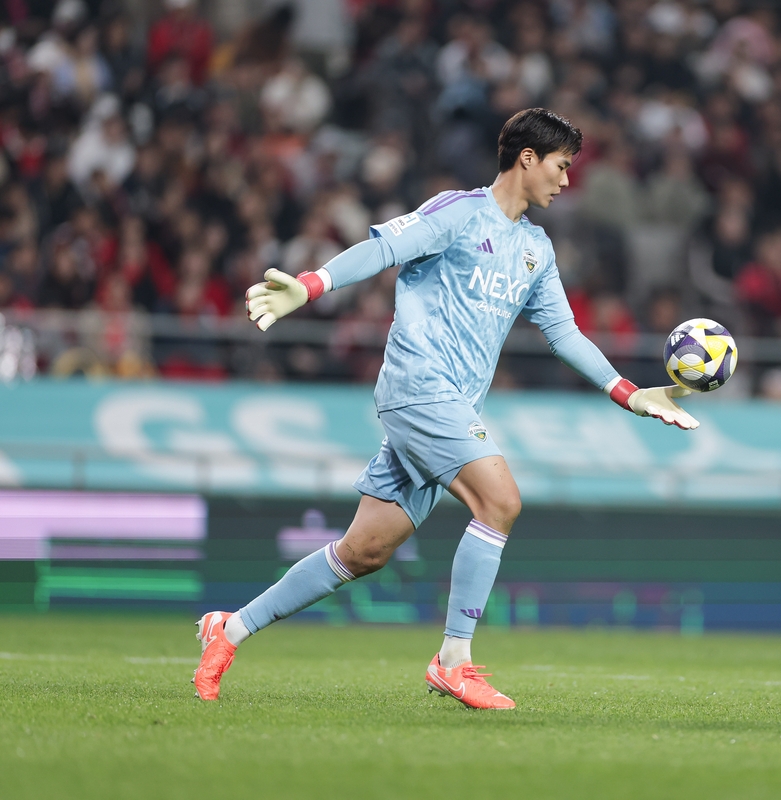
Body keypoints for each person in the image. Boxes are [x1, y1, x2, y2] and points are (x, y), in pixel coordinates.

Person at [193, 109, 697, 709]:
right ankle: (454, 661)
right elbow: (382, 249)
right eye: (562, 166)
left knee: (364, 551)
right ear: (528, 159)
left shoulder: (535, 248)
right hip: (417, 386)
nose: (567, 181)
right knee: (500, 501)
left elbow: (563, 332)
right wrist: (311, 284)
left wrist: (627, 391)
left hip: (452, 405)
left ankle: (230, 629)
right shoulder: (457, 212)